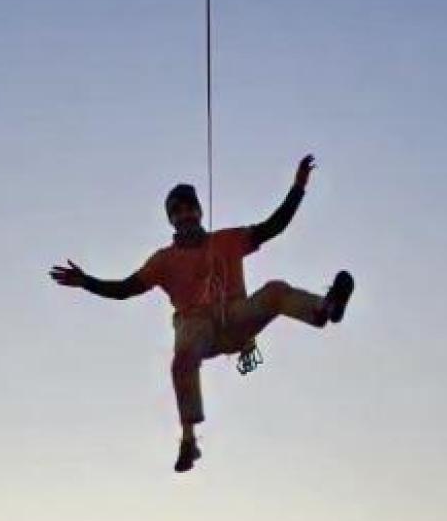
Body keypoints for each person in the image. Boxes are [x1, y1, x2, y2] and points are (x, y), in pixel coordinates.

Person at [50, 154, 354, 472]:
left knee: (275, 290)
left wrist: (298, 186)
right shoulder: (163, 261)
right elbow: (126, 288)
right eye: (177, 212)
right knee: (183, 351)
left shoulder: (227, 241)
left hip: (235, 318)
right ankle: (189, 440)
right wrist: (86, 282)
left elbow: (273, 226)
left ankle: (323, 309)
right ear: (171, 220)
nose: (184, 215)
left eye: (189, 209)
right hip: (198, 330)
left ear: (199, 211)